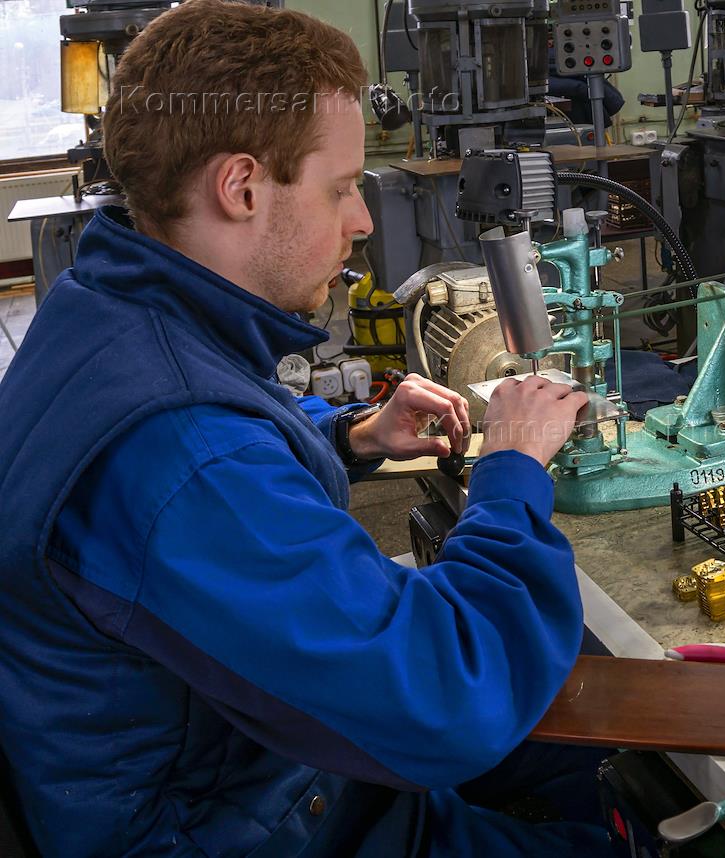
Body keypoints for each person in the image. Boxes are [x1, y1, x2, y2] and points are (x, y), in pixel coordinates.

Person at [0, 1, 612, 855]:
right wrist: (509, 471)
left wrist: (346, 434)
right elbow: (447, 698)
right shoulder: (184, 462)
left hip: (235, 765)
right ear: (242, 188)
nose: (362, 220)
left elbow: (215, 420)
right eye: (341, 187)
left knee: (577, 742)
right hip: (242, 827)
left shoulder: (104, 303)